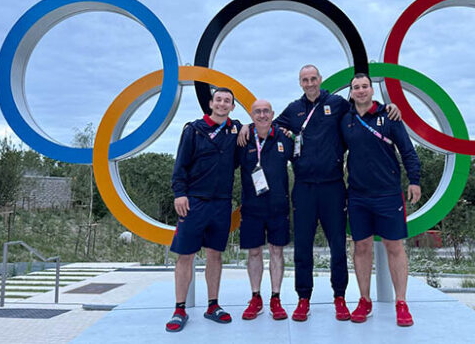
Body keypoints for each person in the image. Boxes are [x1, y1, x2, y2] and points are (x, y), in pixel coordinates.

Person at [238, 65, 400, 322]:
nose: (310, 83)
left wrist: (388, 107)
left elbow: (363, 106)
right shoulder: (293, 109)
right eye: (305, 79)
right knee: (303, 246)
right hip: (303, 188)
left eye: (314, 78)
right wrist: (247, 125)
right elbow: (268, 123)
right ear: (300, 82)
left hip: (333, 186)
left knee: (338, 245)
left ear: (320, 80)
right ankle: (304, 299)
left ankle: (339, 297)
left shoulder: (336, 103)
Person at [341, 73, 420, 326]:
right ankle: (364, 301)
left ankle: (401, 302)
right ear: (351, 92)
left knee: (394, 246)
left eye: (365, 86)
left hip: (388, 193)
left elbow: (408, 151)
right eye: (356, 87)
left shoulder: (390, 116)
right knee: (360, 247)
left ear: (372, 90)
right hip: (357, 195)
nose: (361, 90)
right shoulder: (346, 120)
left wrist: (415, 180)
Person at [166, 87, 242, 332]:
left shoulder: (235, 130)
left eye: (227, 101)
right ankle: (179, 308)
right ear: (211, 103)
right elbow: (180, 166)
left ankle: (213, 305)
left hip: (221, 203)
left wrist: (248, 127)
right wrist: (179, 193)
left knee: (215, 255)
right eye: (218, 100)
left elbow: (253, 128)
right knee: (185, 255)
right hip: (193, 202)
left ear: (232, 106)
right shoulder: (193, 130)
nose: (222, 104)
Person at [236, 99, 293, 320]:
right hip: (252, 207)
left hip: (278, 206)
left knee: (277, 252)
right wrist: (242, 126)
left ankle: (276, 299)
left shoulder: (284, 139)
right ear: (251, 115)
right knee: (254, 252)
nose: (262, 115)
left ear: (273, 113)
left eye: (266, 111)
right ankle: (255, 297)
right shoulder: (242, 139)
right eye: (257, 112)